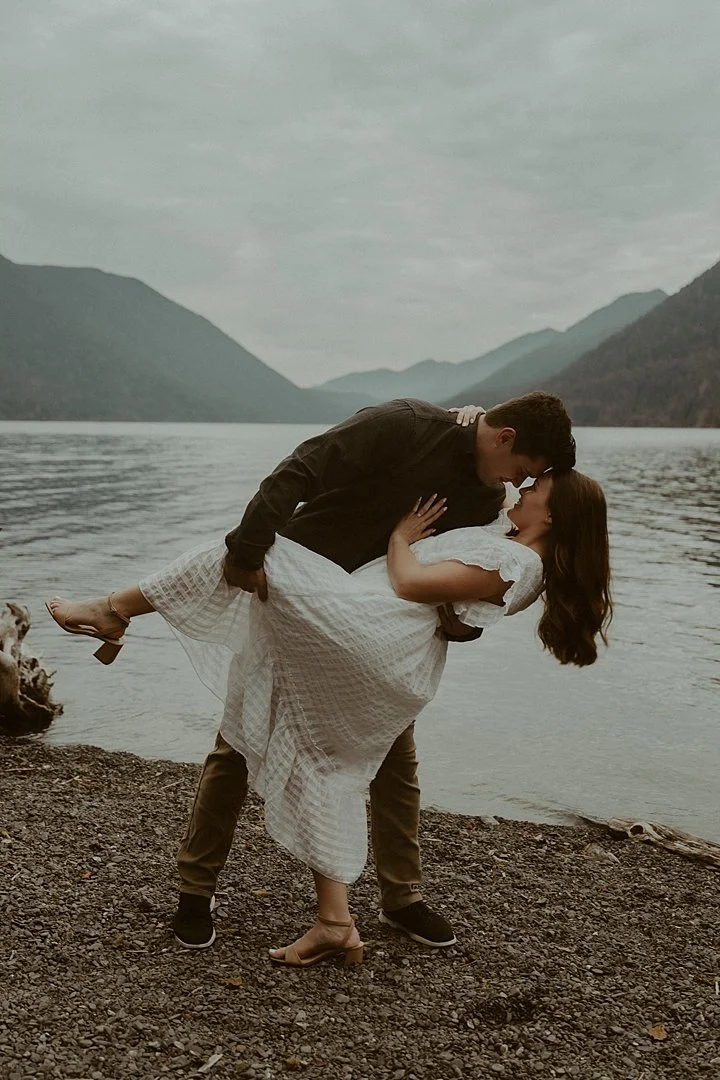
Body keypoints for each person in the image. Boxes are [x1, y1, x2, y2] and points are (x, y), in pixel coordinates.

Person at [47, 394, 579, 955]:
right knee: (238, 743)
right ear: (505, 437)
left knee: (393, 760)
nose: (516, 485)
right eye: (522, 470)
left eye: (529, 481)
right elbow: (302, 467)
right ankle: (195, 894)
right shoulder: (407, 426)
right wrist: (248, 551)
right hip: (301, 594)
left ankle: (401, 898)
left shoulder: (486, 497)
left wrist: (458, 621)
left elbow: (471, 581)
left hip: (372, 632)